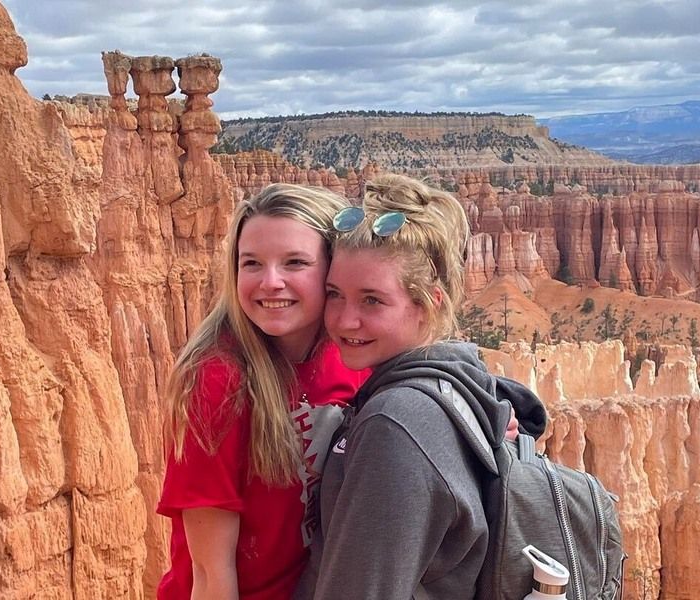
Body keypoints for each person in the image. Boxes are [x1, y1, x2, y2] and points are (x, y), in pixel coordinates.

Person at [296, 174, 548, 600]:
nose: (343, 319)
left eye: (372, 300)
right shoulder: (454, 383)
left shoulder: (396, 423)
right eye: (334, 294)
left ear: (429, 302)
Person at [157, 184, 368, 600]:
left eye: (295, 262)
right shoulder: (217, 380)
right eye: (251, 263)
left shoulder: (350, 352)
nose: (271, 282)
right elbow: (209, 572)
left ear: (332, 270)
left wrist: (489, 413)